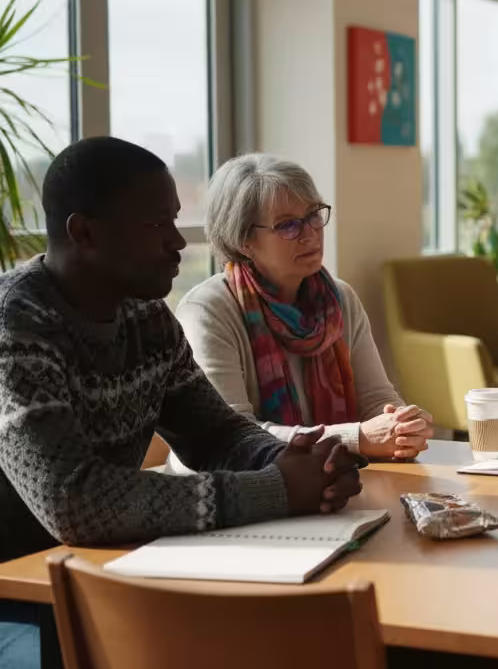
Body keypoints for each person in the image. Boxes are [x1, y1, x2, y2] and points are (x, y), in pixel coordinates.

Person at [0, 137, 363, 669]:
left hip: (104, 575)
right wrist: (280, 489)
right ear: (85, 233)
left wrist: (297, 462)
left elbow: (215, 433)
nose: (178, 243)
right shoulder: (16, 326)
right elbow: (74, 503)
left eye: (175, 221)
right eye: (156, 225)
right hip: (21, 600)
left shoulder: (145, 315)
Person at [175, 154, 431, 461]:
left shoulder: (340, 299)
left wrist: (402, 424)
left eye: (313, 215)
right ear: (244, 240)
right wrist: (357, 438)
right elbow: (233, 435)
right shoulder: (208, 310)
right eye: (288, 226)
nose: (310, 233)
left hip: (326, 482)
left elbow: (376, 399)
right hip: (232, 491)